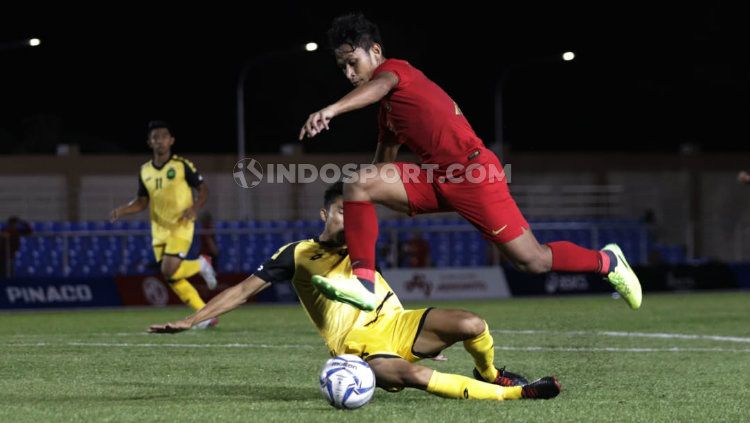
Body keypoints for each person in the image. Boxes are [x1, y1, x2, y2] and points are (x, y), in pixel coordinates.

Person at [299, 13, 641, 311]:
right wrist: (353, 209)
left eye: (352, 62)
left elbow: (376, 88)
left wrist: (332, 109)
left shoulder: (395, 71)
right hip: (436, 178)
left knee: (532, 261)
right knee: (358, 182)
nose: (348, 72)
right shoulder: (388, 114)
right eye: (341, 66)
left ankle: (607, 261)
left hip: (474, 173)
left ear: (375, 51)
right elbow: (378, 171)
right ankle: (363, 283)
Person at [149, 182, 560, 401]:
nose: (352, 218)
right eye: (345, 210)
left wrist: (422, 338)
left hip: (398, 325)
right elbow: (241, 291)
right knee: (414, 376)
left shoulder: (361, 245)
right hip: (357, 348)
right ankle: (520, 394)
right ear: (325, 213)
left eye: (357, 211)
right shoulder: (297, 254)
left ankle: (491, 373)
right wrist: (191, 318)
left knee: (473, 323)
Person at [110, 120, 218, 327]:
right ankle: (206, 316)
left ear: (171, 141)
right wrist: (123, 210)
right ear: (149, 142)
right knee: (172, 277)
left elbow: (203, 189)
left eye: (163, 137)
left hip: (181, 225)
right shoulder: (145, 171)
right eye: (155, 138)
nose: (159, 141)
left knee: (168, 269)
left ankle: (201, 263)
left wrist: (194, 208)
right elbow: (142, 202)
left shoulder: (181, 165)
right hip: (158, 230)